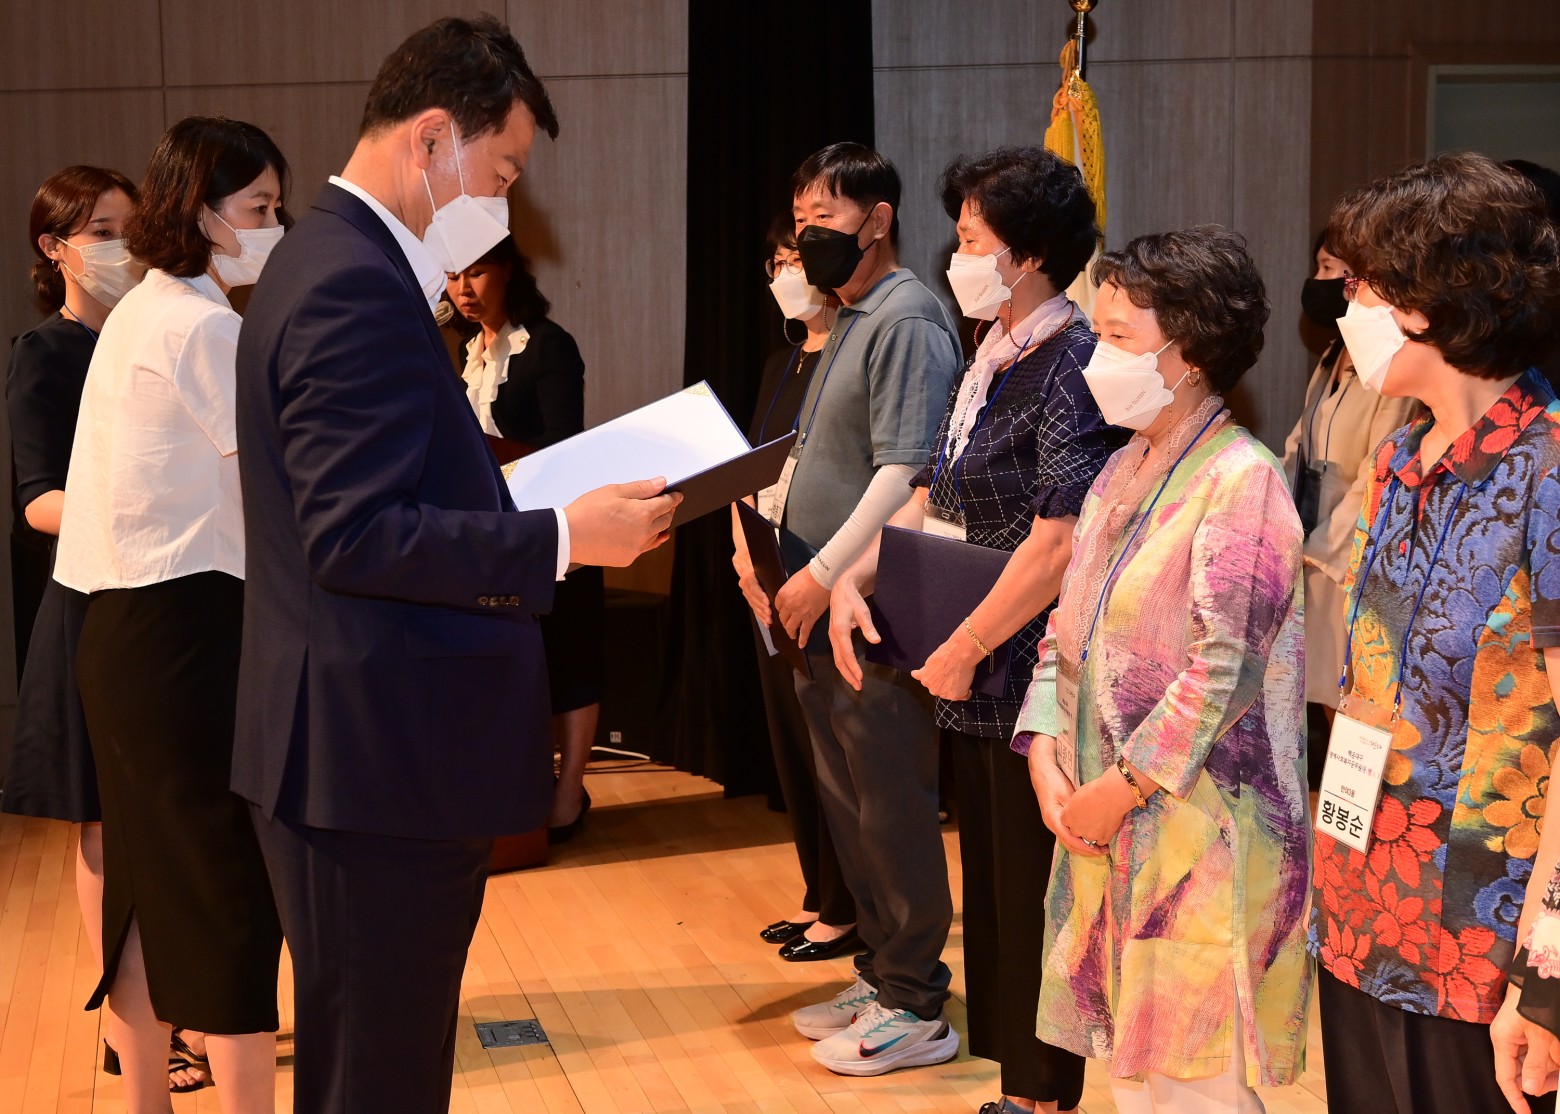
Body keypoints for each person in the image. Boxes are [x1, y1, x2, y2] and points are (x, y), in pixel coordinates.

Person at [230, 16, 677, 1113]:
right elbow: (357, 533)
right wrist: (565, 537)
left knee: (380, 1062)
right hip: (372, 759)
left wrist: (535, 505)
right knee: (376, 1076)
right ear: (431, 138)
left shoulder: (339, 260)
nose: (506, 204)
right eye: (503, 170)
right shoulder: (349, 281)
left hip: (368, 750)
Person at [827, 146, 1122, 1113]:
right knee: (995, 886)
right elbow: (933, 490)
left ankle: (1044, 1096)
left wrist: (963, 647)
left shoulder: (1072, 361)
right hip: (971, 660)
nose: (957, 256)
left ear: (1029, 254)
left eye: (971, 238)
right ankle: (1018, 1086)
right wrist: (854, 578)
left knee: (1035, 891)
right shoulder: (993, 350)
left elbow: (1058, 541)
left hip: (1024, 664)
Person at [1016, 226, 1311, 1113]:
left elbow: (1225, 670)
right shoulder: (1120, 468)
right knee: (1135, 1081)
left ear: (1190, 354)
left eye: (1118, 338)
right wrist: (1043, 749)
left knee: (1197, 1085)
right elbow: (1065, 627)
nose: (1095, 358)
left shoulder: (1242, 480)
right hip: (1106, 822)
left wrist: (1121, 787)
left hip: (1197, 835)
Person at [1305, 153, 1560, 1114]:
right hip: (1362, 910)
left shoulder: (1548, 472)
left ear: (1431, 303)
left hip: (1484, 948)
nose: (1346, 306)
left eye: (1363, 286)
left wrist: (1548, 974)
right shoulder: (1401, 458)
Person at [54, 116, 291, 1114]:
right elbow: (281, 487)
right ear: (203, 214)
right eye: (261, 209)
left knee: (148, 888)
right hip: (187, 632)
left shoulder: (140, 313)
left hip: (122, 634)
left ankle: (147, 1101)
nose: (276, 227)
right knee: (227, 889)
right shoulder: (204, 327)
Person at [0, 166, 212, 1095]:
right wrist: (145, 498)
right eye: (102, 230)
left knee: (182, 821)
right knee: (103, 826)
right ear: (56, 250)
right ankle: (131, 1030)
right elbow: (36, 502)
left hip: (176, 605)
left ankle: (193, 1008)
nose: (124, 245)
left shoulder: (158, 330)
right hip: (93, 605)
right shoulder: (46, 354)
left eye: (133, 225)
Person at [775, 141, 964, 1075]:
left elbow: (904, 471)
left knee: (890, 801)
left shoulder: (908, 318)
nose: (808, 236)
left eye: (825, 218)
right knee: (848, 800)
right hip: (819, 602)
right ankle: (884, 972)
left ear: (877, 220)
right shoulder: (848, 316)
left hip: (873, 604)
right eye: (799, 220)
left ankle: (918, 1001)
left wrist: (826, 571)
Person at [445, 236, 603, 842]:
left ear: (508, 272)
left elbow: (566, 445)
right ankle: (522, 790)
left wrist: (484, 453)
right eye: (454, 275)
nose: (463, 289)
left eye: (477, 273)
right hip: (498, 535)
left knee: (571, 659)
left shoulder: (547, 346)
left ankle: (569, 794)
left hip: (556, 523)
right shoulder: (466, 352)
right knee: (521, 663)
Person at [730, 213, 857, 961]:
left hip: (819, 572)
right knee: (793, 746)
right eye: (775, 263)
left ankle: (846, 908)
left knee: (833, 752)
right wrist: (742, 561)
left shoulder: (850, 355)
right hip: (765, 572)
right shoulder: (781, 363)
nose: (785, 276)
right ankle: (819, 893)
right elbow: (745, 467)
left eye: (797, 261)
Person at [1281, 235, 1421, 728]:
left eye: (1329, 268)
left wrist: (1322, 546)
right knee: (1317, 688)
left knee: (1350, 697)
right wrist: (1281, 524)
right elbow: (1298, 443)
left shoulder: (1393, 369)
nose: (1320, 280)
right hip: (1307, 540)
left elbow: (1378, 471)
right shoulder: (1330, 356)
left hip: (1346, 553)